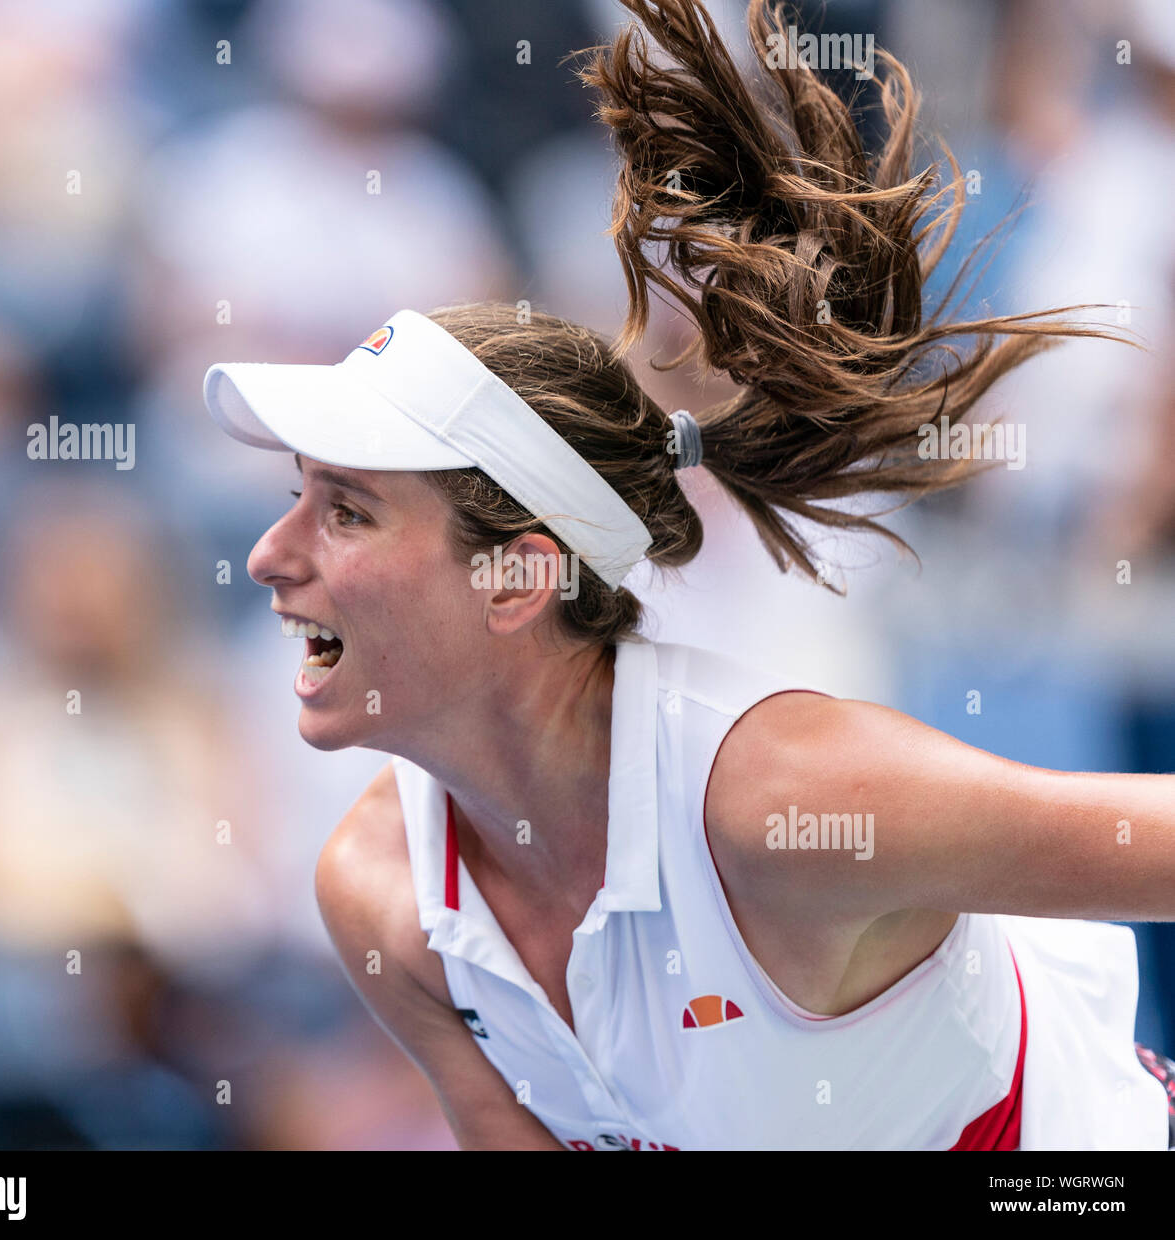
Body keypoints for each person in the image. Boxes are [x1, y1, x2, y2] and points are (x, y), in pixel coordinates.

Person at [202, 0, 1175, 1149]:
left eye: (347, 511)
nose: (271, 555)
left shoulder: (782, 800)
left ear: (517, 580)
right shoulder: (377, 890)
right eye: (294, 497)